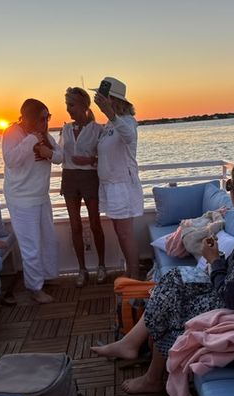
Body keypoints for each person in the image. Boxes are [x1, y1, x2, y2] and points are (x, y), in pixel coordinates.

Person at [92, 151, 234, 393]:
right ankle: (132, 345)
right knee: (173, 279)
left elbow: (232, 298)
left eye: (230, 188)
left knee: (173, 310)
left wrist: (215, 261)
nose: (229, 194)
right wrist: (218, 263)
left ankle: (151, 375)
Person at [2, 98, 63, 304]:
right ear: (28, 119)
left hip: (41, 195)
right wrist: (31, 141)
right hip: (21, 198)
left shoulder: (45, 134)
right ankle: (35, 288)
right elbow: (10, 160)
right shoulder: (12, 133)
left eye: (48, 118)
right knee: (31, 245)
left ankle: (46, 276)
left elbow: (60, 156)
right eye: (42, 119)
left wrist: (50, 152)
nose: (46, 123)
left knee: (48, 239)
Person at [92, 77, 144, 279]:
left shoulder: (127, 122)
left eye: (104, 96)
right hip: (109, 185)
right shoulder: (108, 126)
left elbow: (129, 137)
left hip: (122, 185)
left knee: (125, 233)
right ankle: (130, 274)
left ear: (114, 99)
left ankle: (134, 278)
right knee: (120, 233)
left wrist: (111, 114)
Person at [59, 87, 106, 287]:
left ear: (84, 105)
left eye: (71, 105)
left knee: (95, 224)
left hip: (89, 177)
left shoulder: (98, 130)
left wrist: (89, 159)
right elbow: (60, 155)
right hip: (69, 177)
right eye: (67, 105)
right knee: (75, 225)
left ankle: (102, 266)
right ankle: (82, 269)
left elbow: (105, 158)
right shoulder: (66, 129)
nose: (68, 109)